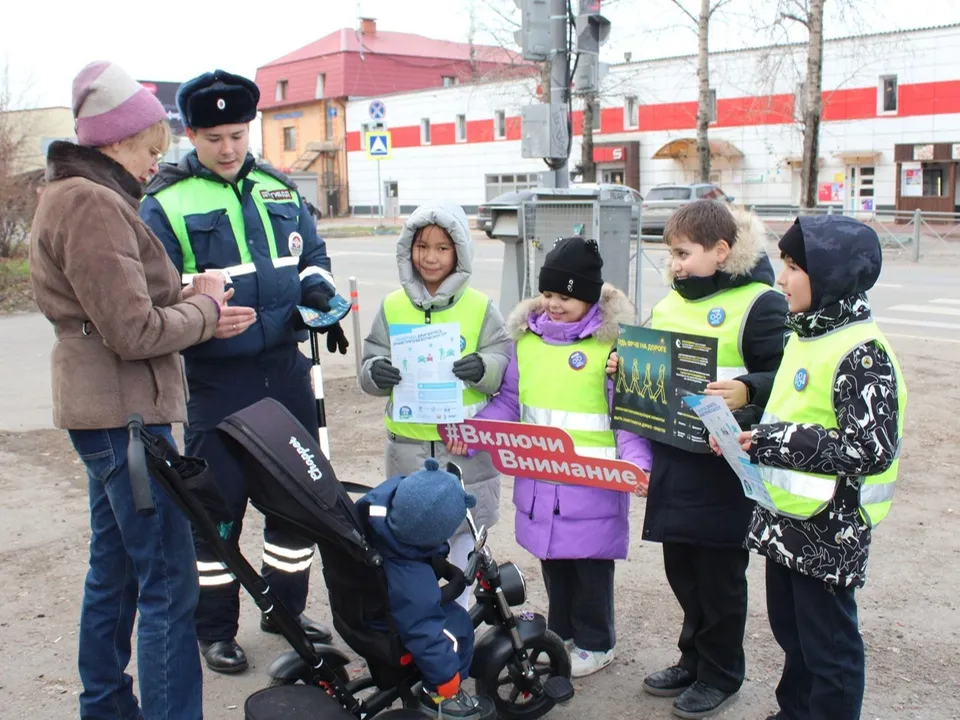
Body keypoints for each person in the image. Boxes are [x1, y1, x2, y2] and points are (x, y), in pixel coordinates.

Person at [29, 61, 228, 720]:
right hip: (126, 417)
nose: (155, 161)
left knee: (114, 571)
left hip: (113, 415)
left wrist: (188, 295)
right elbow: (133, 329)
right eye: (149, 149)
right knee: (170, 584)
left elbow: (119, 305)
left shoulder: (80, 195)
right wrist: (205, 315)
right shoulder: (90, 201)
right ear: (114, 140)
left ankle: (106, 707)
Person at [140, 69, 345, 674]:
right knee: (217, 508)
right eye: (214, 137)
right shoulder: (163, 203)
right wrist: (195, 309)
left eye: (237, 134)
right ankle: (214, 628)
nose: (228, 149)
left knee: (296, 499)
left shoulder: (278, 189)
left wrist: (320, 295)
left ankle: (284, 609)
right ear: (192, 135)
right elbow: (151, 289)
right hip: (214, 379)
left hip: (285, 369)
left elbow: (312, 257)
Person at [608, 201, 789, 718]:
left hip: (723, 467)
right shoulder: (669, 303)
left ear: (721, 250)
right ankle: (694, 658)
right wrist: (626, 364)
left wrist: (748, 389)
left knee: (719, 576)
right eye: (671, 254)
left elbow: (787, 376)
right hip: (675, 459)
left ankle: (721, 673)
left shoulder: (761, 303)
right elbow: (652, 367)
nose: (675, 264)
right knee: (682, 568)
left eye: (684, 254)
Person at [450, 237, 653, 678]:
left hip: (592, 483)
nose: (554, 304)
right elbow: (509, 402)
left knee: (590, 568)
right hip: (541, 480)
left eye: (566, 296)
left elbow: (628, 417)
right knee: (555, 564)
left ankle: (598, 642)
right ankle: (562, 631)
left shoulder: (610, 348)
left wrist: (638, 465)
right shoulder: (527, 342)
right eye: (548, 294)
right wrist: (476, 432)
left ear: (589, 296)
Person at [728, 216, 906, 720]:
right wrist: (744, 429)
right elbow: (795, 414)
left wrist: (773, 440)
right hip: (787, 519)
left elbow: (869, 447)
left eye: (792, 266)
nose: (781, 279)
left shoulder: (861, 352)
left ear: (829, 274)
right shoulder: (806, 335)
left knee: (829, 648)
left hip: (831, 526)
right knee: (793, 634)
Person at [358, 201, 511, 608]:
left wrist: (483, 367)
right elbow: (369, 360)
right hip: (408, 451)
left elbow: (503, 360)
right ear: (408, 248)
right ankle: (421, 615)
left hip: (463, 453)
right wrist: (376, 373)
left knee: (463, 537)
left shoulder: (479, 307)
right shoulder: (393, 305)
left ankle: (457, 616)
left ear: (459, 251)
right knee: (412, 541)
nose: (430, 257)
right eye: (422, 246)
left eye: (442, 248)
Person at [357, 458, 486, 719]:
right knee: (458, 625)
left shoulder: (380, 512)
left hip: (365, 605)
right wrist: (446, 677)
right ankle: (440, 694)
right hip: (391, 623)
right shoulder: (413, 580)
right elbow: (423, 633)